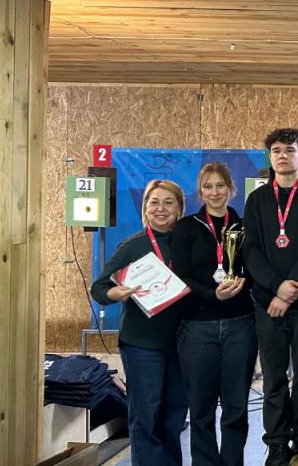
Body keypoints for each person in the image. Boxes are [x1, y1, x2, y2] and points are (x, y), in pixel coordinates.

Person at [243, 127, 298, 466]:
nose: (282, 156)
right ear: (270, 157)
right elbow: (251, 249)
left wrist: (290, 290)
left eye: (289, 150)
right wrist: (275, 288)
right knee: (274, 376)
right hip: (268, 302)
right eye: (276, 150)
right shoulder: (257, 200)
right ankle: (277, 441)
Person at [91, 179, 188, 466]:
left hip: (182, 344)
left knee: (175, 414)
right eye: (154, 202)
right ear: (145, 208)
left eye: (169, 202)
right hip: (142, 344)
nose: (161, 208)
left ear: (180, 208)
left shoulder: (189, 242)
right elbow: (99, 288)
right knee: (146, 415)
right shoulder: (132, 246)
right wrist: (115, 293)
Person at [171, 163, 256, 466]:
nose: (215, 192)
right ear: (200, 191)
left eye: (221, 185)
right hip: (197, 327)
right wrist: (212, 295)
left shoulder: (245, 226)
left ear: (231, 189)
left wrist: (244, 283)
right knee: (201, 410)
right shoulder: (187, 228)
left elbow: (255, 268)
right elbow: (181, 277)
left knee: (236, 409)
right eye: (208, 186)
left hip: (240, 325)